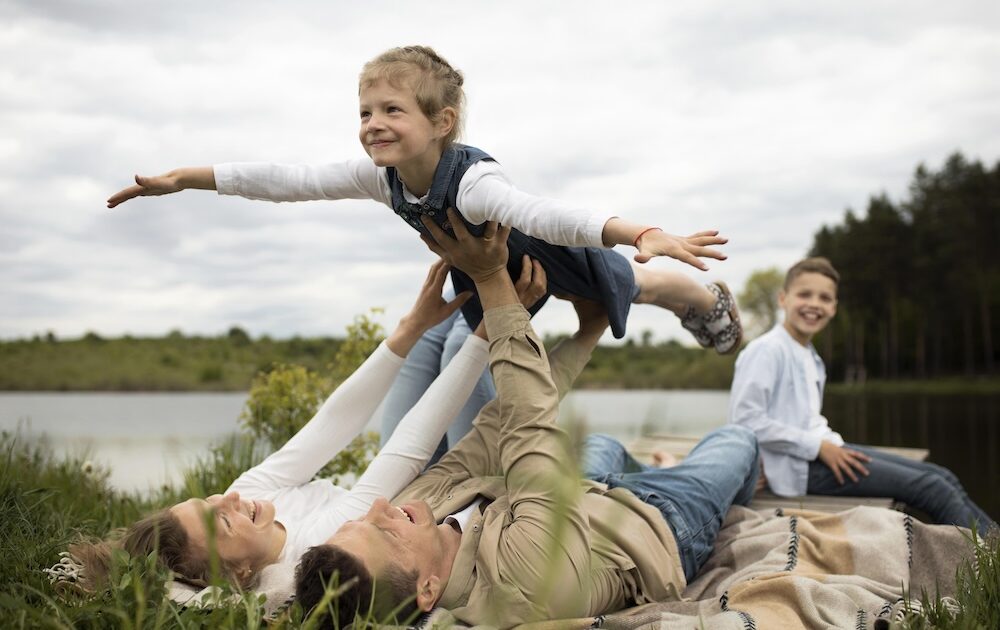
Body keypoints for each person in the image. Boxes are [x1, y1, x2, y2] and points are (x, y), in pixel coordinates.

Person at [106, 44, 743, 457]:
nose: (372, 123)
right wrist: (187, 179)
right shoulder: (377, 177)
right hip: (484, 289)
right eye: (364, 111)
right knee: (457, 401)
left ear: (441, 122)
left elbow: (545, 214)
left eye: (392, 109)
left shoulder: (473, 180)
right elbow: (289, 180)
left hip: (561, 259)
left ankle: (698, 295)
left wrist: (639, 234)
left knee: (633, 285)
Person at [293, 211, 760, 628]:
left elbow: (496, 429)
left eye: (361, 520)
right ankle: (677, 473)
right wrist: (492, 278)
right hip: (658, 521)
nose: (378, 507)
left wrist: (589, 330)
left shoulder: (419, 511)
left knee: (599, 443)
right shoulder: (521, 582)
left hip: (582, 489)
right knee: (738, 442)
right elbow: (528, 425)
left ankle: (649, 458)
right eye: (384, 532)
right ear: (428, 589)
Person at [69, 258, 546, 592]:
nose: (229, 498)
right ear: (236, 573)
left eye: (210, 500)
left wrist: (409, 325)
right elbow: (403, 453)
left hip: (408, 477)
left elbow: (332, 425)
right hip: (427, 489)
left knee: (427, 339)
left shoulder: (249, 494)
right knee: (465, 334)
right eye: (222, 519)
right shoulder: (314, 552)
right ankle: (593, 287)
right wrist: (490, 331)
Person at [728, 257, 995, 530]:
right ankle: (990, 564)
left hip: (825, 451)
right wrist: (817, 447)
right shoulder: (767, 350)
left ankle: (993, 550)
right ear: (783, 298)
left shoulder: (809, 354)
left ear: (833, 308)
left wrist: (825, 446)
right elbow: (746, 420)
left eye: (824, 298)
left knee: (942, 476)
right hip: (795, 470)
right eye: (804, 294)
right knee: (932, 489)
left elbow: (805, 421)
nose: (814, 304)